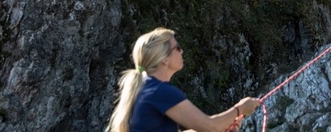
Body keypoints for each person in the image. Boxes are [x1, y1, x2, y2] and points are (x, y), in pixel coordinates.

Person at [107, 28, 261, 132]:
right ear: (164, 59)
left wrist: (223, 125)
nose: (182, 51)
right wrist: (240, 109)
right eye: (177, 48)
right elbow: (210, 126)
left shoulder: (145, 88)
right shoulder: (161, 92)